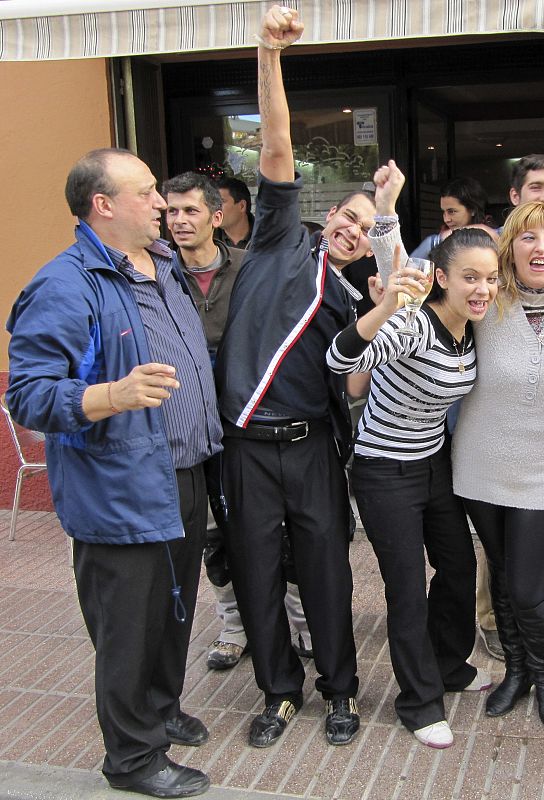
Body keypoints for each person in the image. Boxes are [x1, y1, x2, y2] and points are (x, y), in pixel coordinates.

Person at [6, 148, 222, 798]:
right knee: (129, 629)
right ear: (104, 205)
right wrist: (111, 395)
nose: (162, 203)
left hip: (182, 475)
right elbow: (30, 394)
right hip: (118, 488)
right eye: (148, 191)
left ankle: (159, 712)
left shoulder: (162, 267)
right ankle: (132, 760)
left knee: (174, 614)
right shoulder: (66, 284)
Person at [215, 5, 370, 750]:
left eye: (366, 228)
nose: (350, 228)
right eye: (346, 214)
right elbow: (277, 144)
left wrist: (393, 220)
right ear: (326, 213)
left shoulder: (354, 297)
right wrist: (269, 55)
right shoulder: (281, 237)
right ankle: (278, 690)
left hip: (311, 450)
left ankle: (338, 688)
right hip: (248, 445)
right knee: (255, 575)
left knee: (326, 575)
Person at [327, 163, 496, 748]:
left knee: (458, 569)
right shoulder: (413, 327)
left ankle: (449, 666)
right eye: (470, 277)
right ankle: (418, 701)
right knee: (404, 585)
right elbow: (341, 362)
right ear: (442, 278)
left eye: (490, 279)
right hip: (383, 471)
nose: (482, 289)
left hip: (434, 464)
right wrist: (378, 312)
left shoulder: (472, 327)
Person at [162, 170, 314, 671]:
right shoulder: (157, 277)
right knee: (212, 535)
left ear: (217, 215)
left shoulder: (252, 268)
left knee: (278, 530)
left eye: (190, 210)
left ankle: (300, 621)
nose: (179, 220)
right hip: (187, 428)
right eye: (171, 211)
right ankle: (234, 625)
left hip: (250, 427)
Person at [451, 200, 544, 731]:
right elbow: (420, 279)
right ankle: (516, 672)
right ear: (509, 248)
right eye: (528, 237)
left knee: (529, 583)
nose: (540, 248)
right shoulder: (487, 298)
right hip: (480, 460)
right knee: (504, 574)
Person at [411, 176, 488, 260]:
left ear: (472, 210)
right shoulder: (435, 243)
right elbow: (408, 269)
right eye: (444, 212)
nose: (446, 219)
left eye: (452, 212)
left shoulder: (496, 238)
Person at [215, 175, 254, 249]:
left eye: (220, 202)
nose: (215, 208)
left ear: (242, 206)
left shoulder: (266, 236)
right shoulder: (207, 240)